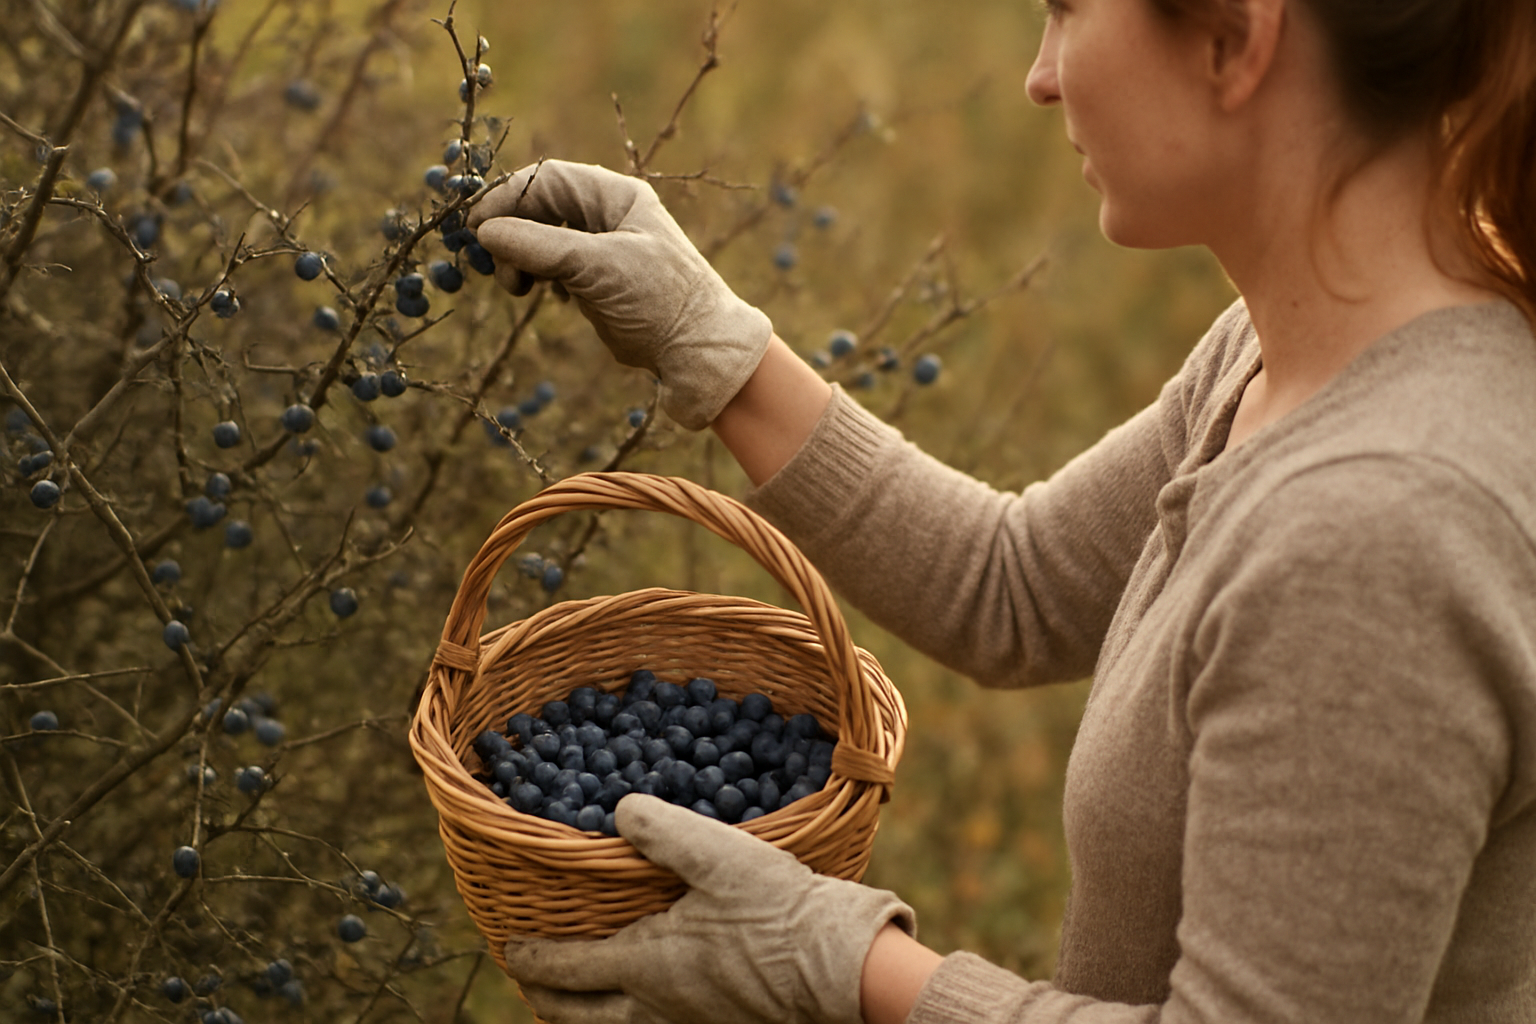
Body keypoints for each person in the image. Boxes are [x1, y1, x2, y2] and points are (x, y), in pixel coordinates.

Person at [464, 0, 1536, 1017]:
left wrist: (846, 964)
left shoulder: (1377, 535)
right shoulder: (1293, 349)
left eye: (1068, 9)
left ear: (1235, 40)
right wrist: (715, 345)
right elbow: (1013, 584)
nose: (1040, 78)